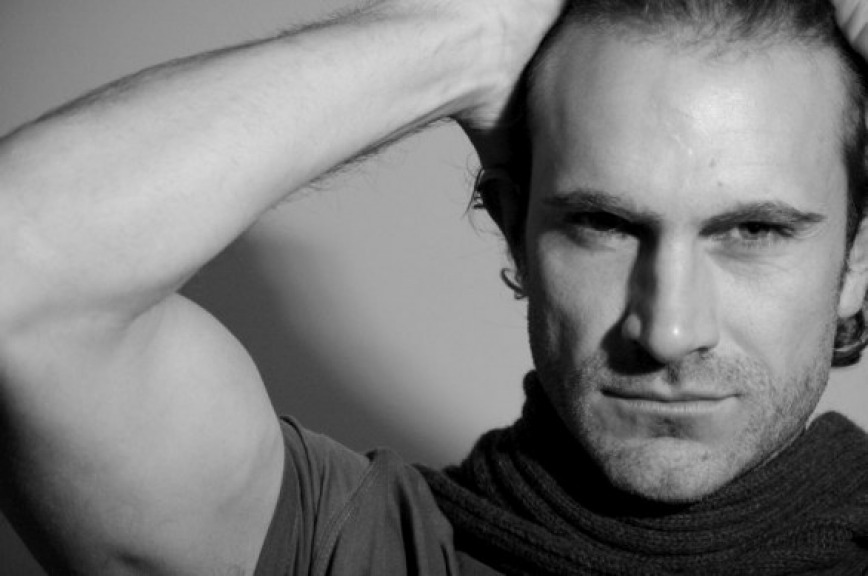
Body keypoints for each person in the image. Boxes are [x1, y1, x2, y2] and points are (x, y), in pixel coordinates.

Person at [2, 0, 868, 574]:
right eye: (604, 224)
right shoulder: (355, 549)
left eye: (754, 232)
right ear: (515, 232)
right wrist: (471, 38)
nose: (670, 331)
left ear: (858, 261)